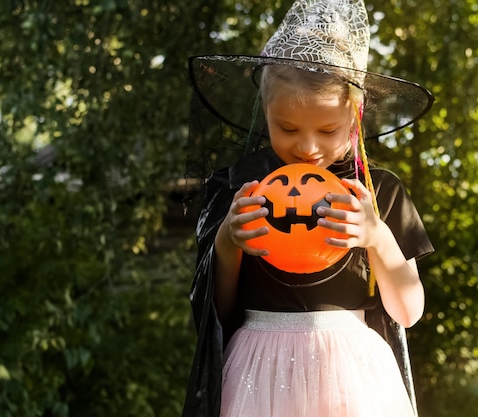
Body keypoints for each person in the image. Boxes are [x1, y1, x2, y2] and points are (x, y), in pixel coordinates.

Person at [182, 0, 435, 416]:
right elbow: (218, 314)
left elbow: (408, 311)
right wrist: (227, 242)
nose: (308, 146)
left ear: (356, 116)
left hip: (353, 377)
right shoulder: (237, 187)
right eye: (288, 127)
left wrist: (377, 236)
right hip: (257, 374)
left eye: (328, 129)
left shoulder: (377, 192)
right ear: (265, 112)